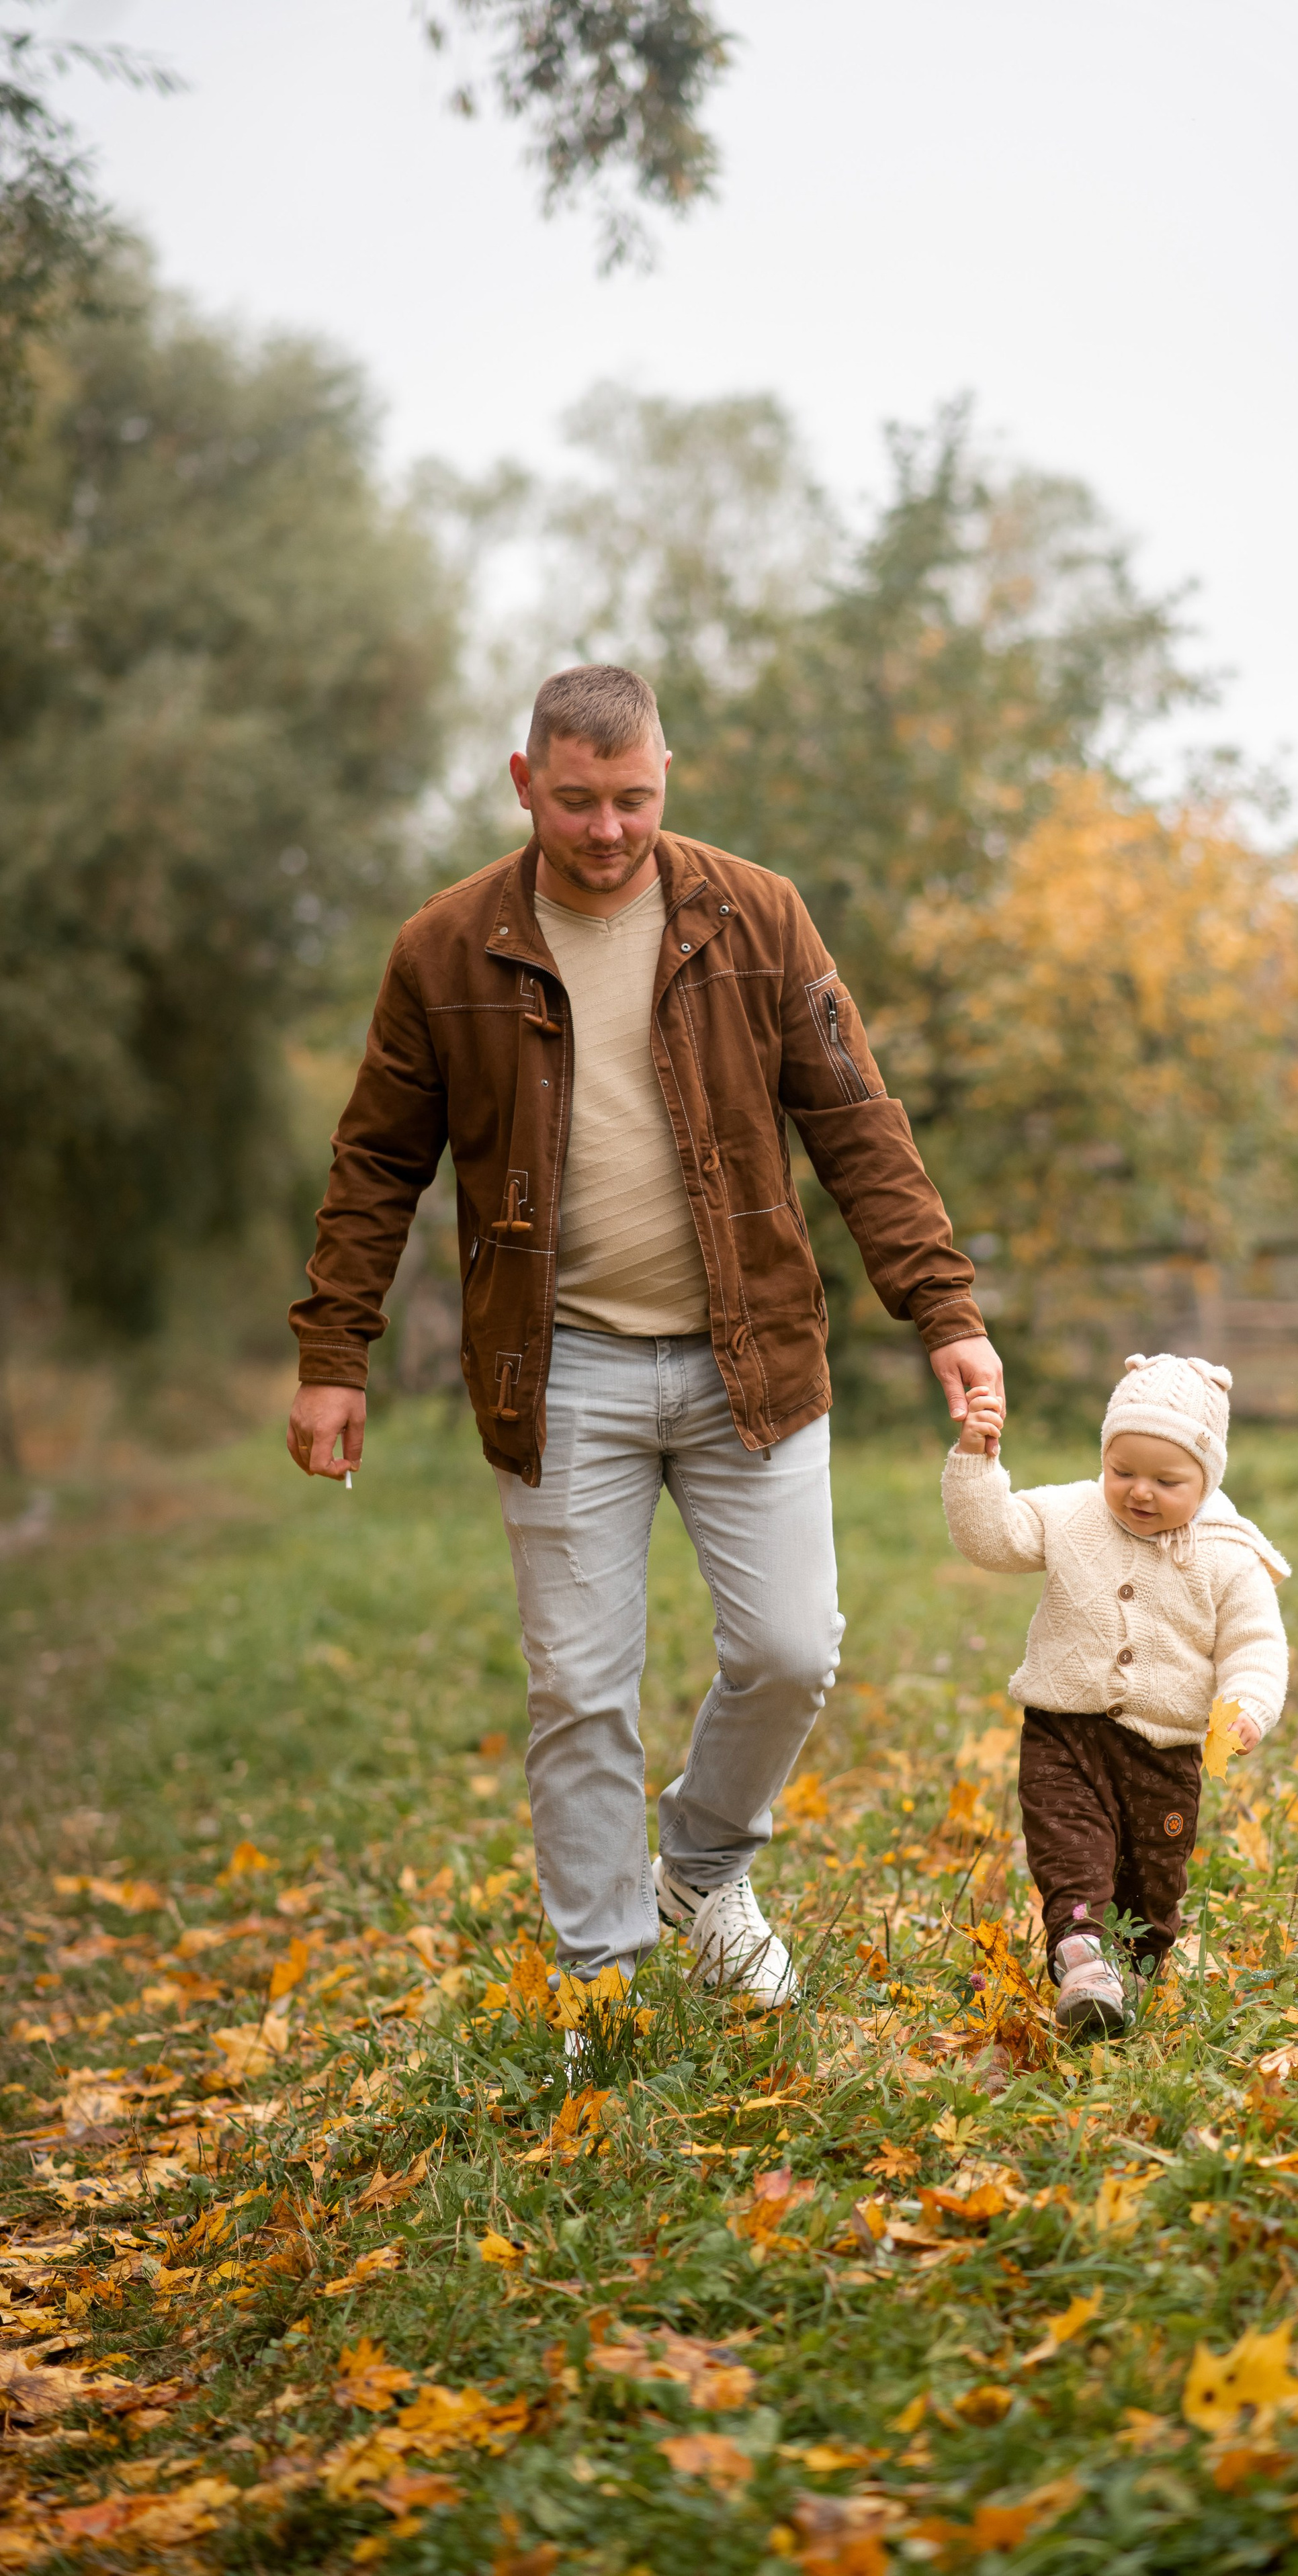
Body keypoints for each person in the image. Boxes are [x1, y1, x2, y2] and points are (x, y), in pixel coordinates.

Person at [287, 663, 1003, 2014]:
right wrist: (335, 1356)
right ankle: (601, 1985)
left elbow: (857, 1122)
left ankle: (703, 1865)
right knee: (577, 1688)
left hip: (753, 1361)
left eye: (631, 798)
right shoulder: (445, 949)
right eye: (576, 802)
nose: (607, 829)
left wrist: (943, 1310)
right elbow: (375, 1164)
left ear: (666, 775)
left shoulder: (757, 916)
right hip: (557, 1372)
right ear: (524, 783)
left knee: (792, 1650)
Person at [941, 1351, 1289, 2037]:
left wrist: (1249, 1704)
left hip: (1165, 1752)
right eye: (1122, 1470)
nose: (1140, 1492)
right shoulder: (1070, 1512)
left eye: (1167, 1480)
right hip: (1063, 1734)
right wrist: (976, 1461)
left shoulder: (1227, 1554)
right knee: (1070, 1852)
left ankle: (1129, 1977)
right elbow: (991, 1538)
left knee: (1151, 1887)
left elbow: (1255, 1643)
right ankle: (1078, 1956)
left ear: (1209, 1477)